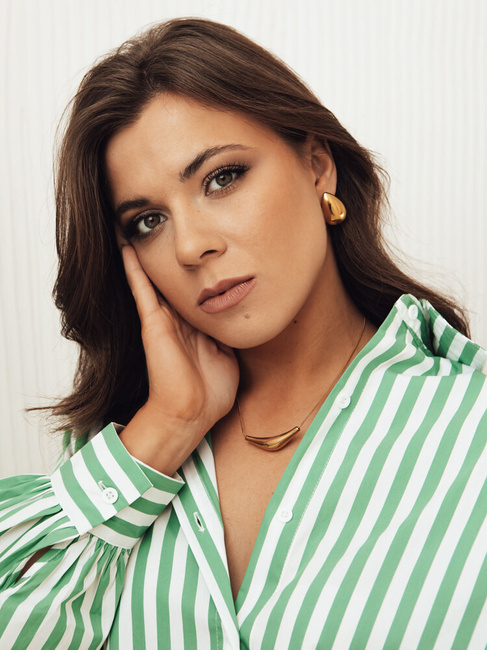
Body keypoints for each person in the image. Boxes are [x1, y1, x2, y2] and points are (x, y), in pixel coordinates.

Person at [0, 16, 486, 649]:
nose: (191, 246)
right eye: (148, 221)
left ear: (317, 166)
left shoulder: (469, 431)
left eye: (222, 178)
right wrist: (166, 428)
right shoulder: (116, 452)